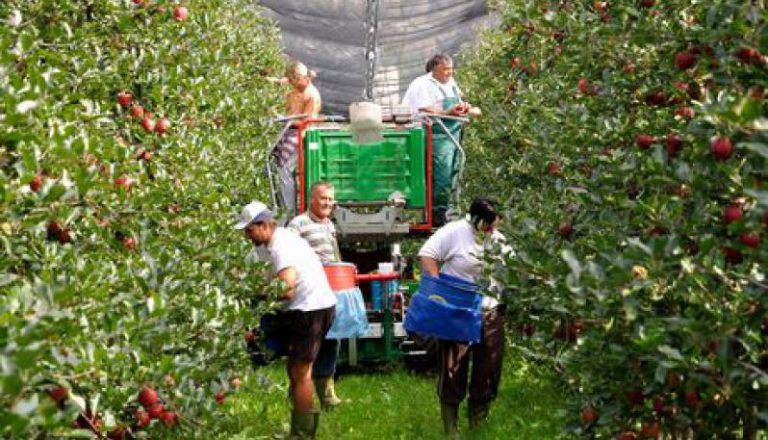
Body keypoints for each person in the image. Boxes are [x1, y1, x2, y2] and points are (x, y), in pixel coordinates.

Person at [234, 201, 336, 438]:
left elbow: (286, 289)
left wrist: (252, 291)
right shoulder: (266, 245)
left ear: (263, 225)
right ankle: (299, 427)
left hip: (312, 309)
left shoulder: (283, 245)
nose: (246, 236)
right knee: (294, 369)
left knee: (301, 373)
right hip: (300, 308)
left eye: (249, 230)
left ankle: (303, 433)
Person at [417, 198, 506, 438]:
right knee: (453, 366)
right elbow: (427, 254)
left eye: (495, 224)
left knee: (488, 367)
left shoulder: (497, 239)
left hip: (489, 310)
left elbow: (512, 268)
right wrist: (438, 289)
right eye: (488, 225)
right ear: (476, 220)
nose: (492, 230)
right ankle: (451, 428)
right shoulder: (455, 232)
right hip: (458, 310)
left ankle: (478, 424)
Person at [401, 54, 481, 226]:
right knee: (441, 176)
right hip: (435, 134)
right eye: (445, 69)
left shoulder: (451, 83)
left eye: (451, 69)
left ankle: (449, 212)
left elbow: (457, 101)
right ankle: (437, 215)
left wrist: (466, 108)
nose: (449, 72)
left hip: (452, 134)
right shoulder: (423, 84)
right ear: (434, 69)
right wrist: (448, 112)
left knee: (454, 174)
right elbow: (424, 108)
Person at [287, 181, 344, 410]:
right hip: (308, 297)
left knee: (332, 340)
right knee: (307, 347)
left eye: (331, 199)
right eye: (324, 198)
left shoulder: (330, 225)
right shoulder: (297, 225)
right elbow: (288, 256)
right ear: (312, 199)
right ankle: (298, 395)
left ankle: (327, 393)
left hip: (329, 292)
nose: (328, 203)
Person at [272, 60, 322, 216]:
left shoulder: (312, 95)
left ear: (304, 78)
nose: (292, 84)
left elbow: (307, 122)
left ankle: (289, 212)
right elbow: (280, 82)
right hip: (287, 130)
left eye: (295, 81)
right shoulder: (293, 84)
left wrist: (284, 118)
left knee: (285, 170)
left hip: (301, 133)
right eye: (291, 81)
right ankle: (279, 205)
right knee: (273, 162)